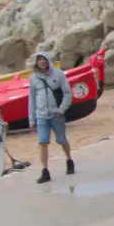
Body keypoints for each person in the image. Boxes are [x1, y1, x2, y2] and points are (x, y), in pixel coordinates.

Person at [28, 51, 75, 184]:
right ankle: (45, 170)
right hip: (41, 115)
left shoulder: (58, 74)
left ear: (48, 60)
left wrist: (61, 110)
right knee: (43, 142)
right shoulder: (33, 78)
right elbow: (31, 99)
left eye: (43, 59)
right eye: (39, 60)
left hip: (56, 115)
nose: (41, 62)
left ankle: (69, 159)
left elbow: (67, 93)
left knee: (61, 139)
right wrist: (31, 119)